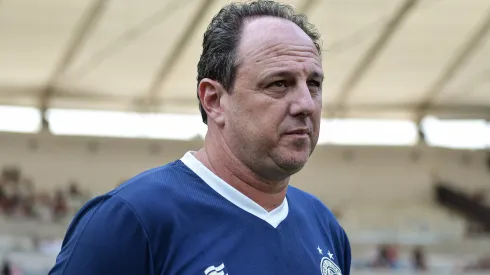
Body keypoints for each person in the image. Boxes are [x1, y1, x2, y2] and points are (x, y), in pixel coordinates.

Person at [48, 1, 351, 274]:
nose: (306, 104)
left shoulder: (323, 226)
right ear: (214, 100)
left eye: (313, 84)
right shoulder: (132, 219)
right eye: (279, 84)